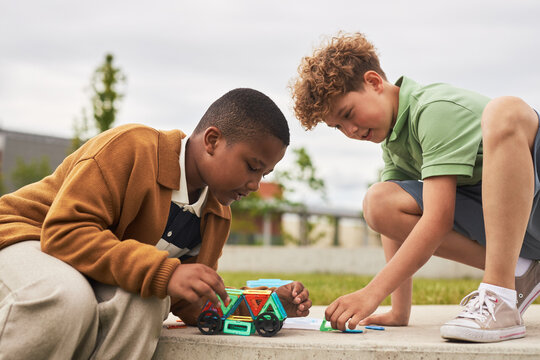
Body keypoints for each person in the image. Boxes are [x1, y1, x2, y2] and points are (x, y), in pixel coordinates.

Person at [0, 88, 312, 360]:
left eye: (264, 174)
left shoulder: (215, 214)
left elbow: (191, 302)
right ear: (213, 141)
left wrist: (267, 305)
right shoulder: (132, 148)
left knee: (147, 301)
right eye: (252, 166)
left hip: (84, 266)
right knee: (67, 298)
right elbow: (64, 233)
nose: (256, 184)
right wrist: (167, 272)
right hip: (25, 235)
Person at [291, 32, 540, 343]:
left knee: (505, 109)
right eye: (338, 127)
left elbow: (438, 219)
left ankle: (501, 292)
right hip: (524, 232)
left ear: (374, 82)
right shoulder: (395, 143)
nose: (351, 131)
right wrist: (398, 309)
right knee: (380, 201)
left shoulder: (433, 109)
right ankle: (522, 270)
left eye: (348, 114)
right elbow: (391, 225)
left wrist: (372, 293)